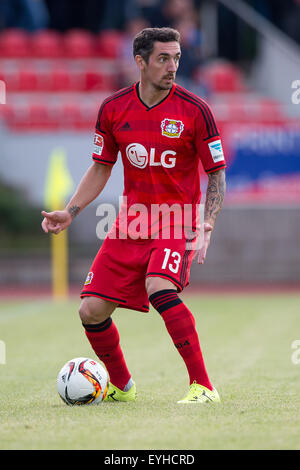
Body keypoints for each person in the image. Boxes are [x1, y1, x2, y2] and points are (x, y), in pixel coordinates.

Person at [41, 27, 226, 404]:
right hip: (132, 223)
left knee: (160, 288)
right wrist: (71, 211)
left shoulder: (196, 110)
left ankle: (203, 386)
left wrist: (206, 224)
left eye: (176, 58)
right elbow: (100, 167)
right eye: (163, 58)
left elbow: (216, 173)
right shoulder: (113, 109)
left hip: (177, 220)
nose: (172, 66)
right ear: (139, 62)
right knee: (90, 310)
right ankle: (122, 387)